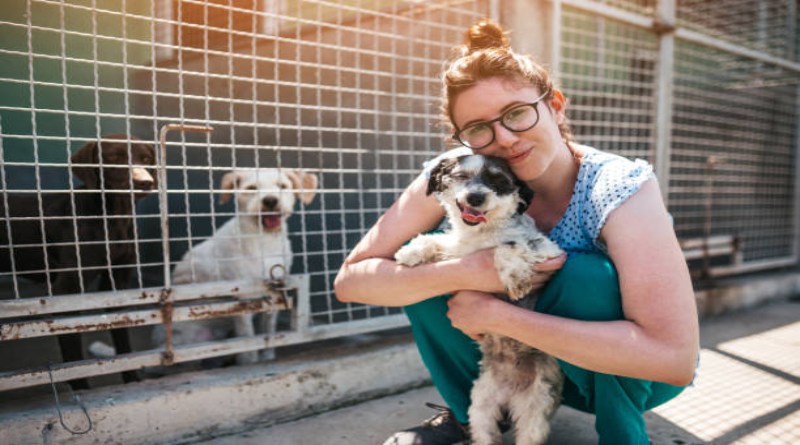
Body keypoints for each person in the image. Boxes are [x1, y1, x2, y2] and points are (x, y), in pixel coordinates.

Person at [334, 18, 698, 445]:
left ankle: (622, 434)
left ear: (556, 105)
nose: (503, 138)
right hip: (508, 367)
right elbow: (350, 282)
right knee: (421, 259)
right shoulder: (457, 175)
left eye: (517, 113)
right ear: (462, 139)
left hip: (617, 374)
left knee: (585, 276)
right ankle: (475, 419)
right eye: (477, 128)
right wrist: (464, 273)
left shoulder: (616, 187)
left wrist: (496, 315)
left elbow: (674, 361)